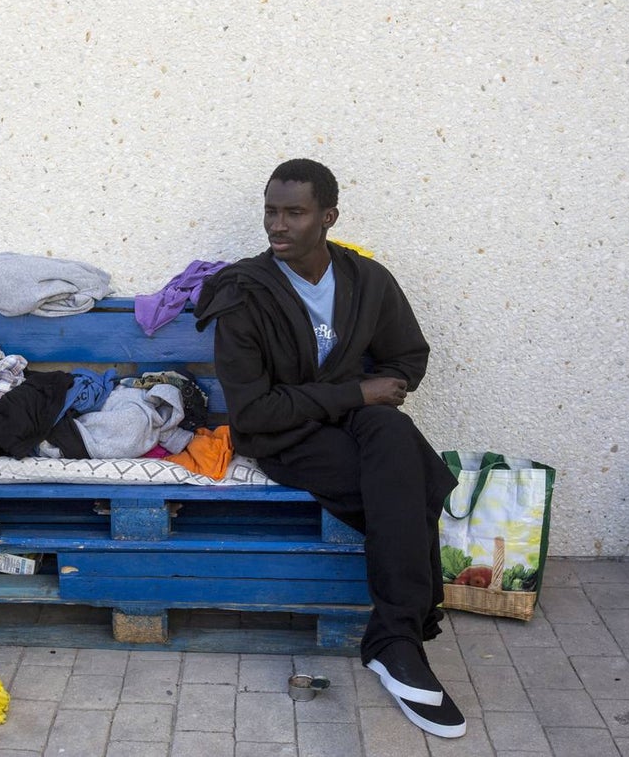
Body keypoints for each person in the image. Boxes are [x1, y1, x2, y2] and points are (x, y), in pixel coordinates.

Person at [194, 159, 465, 738]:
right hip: (285, 439)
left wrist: (372, 392)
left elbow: (406, 358)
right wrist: (354, 392)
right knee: (409, 482)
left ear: (328, 217)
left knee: (393, 437)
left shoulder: (367, 281)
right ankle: (400, 642)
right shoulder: (245, 296)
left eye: (295, 212)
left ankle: (394, 641)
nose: (278, 225)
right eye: (271, 210)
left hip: (349, 423)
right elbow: (254, 412)